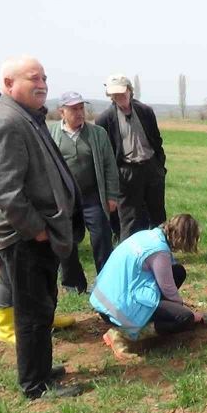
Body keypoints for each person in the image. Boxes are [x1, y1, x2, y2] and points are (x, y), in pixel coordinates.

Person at [0, 56, 83, 398]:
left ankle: (42, 370)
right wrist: (37, 229)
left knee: (42, 305)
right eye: (33, 78)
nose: (42, 83)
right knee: (31, 311)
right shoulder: (8, 122)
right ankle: (35, 385)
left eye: (44, 76)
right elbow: (4, 190)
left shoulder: (26, 117)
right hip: (25, 237)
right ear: (9, 84)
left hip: (38, 234)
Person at [90, 214, 207, 360]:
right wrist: (189, 314)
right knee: (183, 318)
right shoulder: (159, 251)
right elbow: (168, 289)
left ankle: (146, 317)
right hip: (117, 310)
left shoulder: (148, 235)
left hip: (105, 298)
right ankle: (123, 334)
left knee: (178, 271)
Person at [50, 91, 119, 294]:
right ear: (61, 111)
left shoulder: (98, 134)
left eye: (81, 108)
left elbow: (109, 166)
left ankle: (106, 283)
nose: (79, 113)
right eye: (73, 109)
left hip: (93, 196)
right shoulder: (51, 135)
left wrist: (112, 195)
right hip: (65, 199)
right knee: (67, 243)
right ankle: (74, 285)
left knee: (102, 238)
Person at [96, 74, 166, 241]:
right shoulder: (104, 119)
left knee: (158, 214)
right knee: (130, 218)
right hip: (126, 172)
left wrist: (159, 167)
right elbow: (106, 153)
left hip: (151, 167)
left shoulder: (146, 111)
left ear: (130, 90)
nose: (118, 97)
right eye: (114, 94)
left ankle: (162, 250)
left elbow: (156, 140)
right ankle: (131, 254)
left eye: (121, 92)